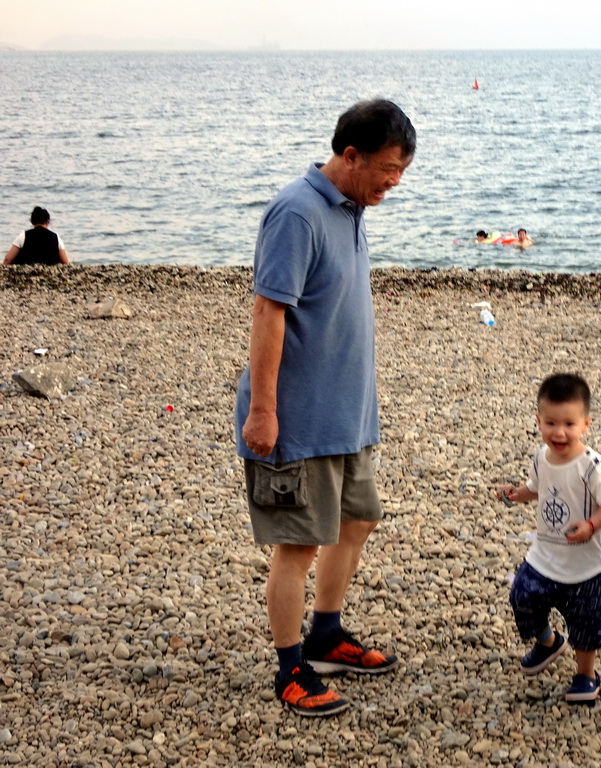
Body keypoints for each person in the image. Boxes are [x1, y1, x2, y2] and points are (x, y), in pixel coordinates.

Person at [235, 99, 416, 717]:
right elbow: (268, 311)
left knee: (357, 520)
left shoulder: (352, 207)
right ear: (350, 155)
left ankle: (327, 635)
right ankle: (291, 671)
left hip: (349, 413)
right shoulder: (297, 212)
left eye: (403, 169)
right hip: (298, 419)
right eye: (389, 168)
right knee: (299, 543)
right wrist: (263, 410)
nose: (396, 181)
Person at [500, 373, 601, 704]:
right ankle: (548, 641)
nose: (559, 432)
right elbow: (537, 488)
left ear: (586, 424)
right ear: (538, 421)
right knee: (522, 596)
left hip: (585, 564)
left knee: (585, 624)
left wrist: (591, 525)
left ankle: (586, 674)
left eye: (569, 423)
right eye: (551, 423)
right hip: (545, 555)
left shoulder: (592, 466)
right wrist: (517, 494)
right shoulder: (542, 456)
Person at [4, 207, 70, 265]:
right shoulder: (56, 237)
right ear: (47, 222)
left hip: (25, 272)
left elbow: (8, 259)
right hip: (49, 273)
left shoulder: (24, 235)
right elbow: (65, 262)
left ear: (32, 222)